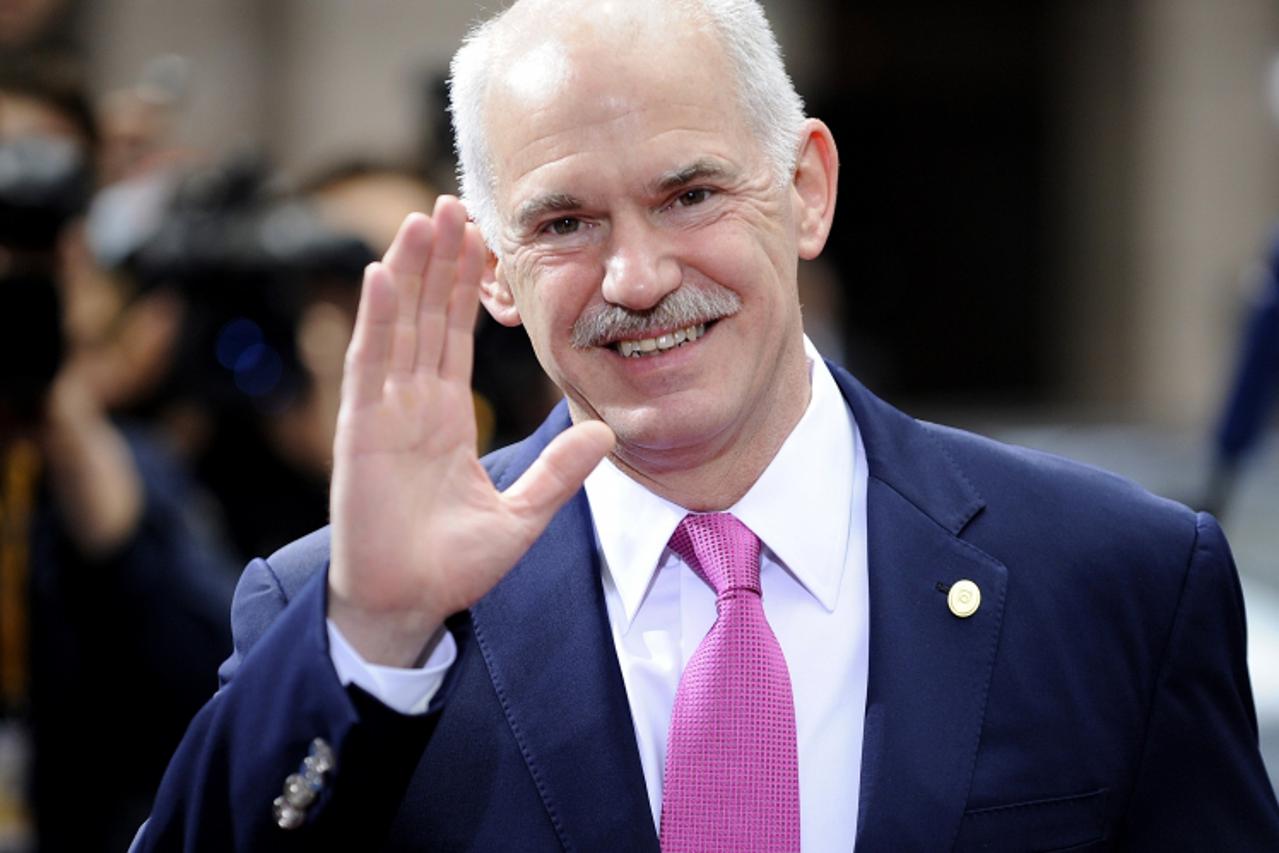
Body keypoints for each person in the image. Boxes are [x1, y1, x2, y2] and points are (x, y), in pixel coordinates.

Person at [136, 0, 1279, 850]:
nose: (636, 276)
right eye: (566, 222)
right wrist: (372, 643)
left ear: (809, 188)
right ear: (493, 271)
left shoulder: (1115, 576)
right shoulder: (344, 608)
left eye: (690, 195)